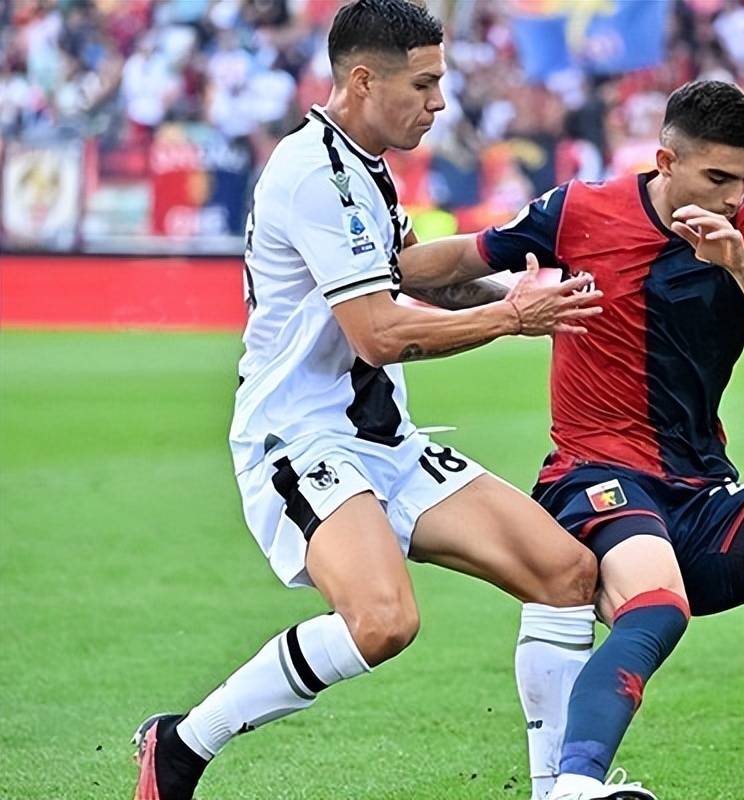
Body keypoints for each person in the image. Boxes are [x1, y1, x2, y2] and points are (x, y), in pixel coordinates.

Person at [131, 3, 607, 798]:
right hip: (300, 439)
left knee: (565, 573)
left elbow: (415, 272)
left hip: (384, 438)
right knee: (382, 623)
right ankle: (181, 746)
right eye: (424, 84)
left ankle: (556, 789)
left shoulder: (362, 162)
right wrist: (511, 318)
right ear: (362, 80)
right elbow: (379, 334)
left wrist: (522, 283)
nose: (439, 103)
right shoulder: (313, 172)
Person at [402, 80, 744, 800]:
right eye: (717, 178)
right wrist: (380, 262)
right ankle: (576, 786)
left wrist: (740, 265)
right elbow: (454, 266)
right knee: (657, 606)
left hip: (698, 489)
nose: (733, 196)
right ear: (666, 161)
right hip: (593, 476)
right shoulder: (580, 209)